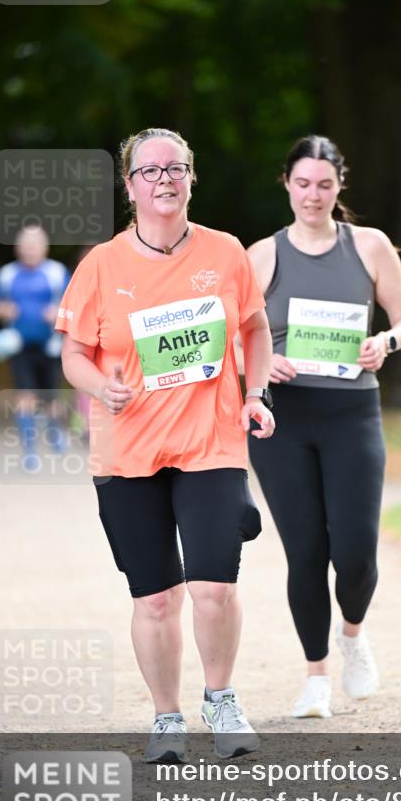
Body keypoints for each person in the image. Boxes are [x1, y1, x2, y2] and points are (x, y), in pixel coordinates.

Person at [56, 127, 274, 761]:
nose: (163, 180)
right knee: (154, 598)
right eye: (149, 172)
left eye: (175, 168)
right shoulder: (101, 264)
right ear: (129, 187)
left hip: (211, 442)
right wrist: (102, 385)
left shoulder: (226, 252)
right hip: (127, 452)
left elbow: (256, 329)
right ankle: (167, 719)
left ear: (191, 178)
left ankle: (222, 701)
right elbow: (73, 354)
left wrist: (255, 392)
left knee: (214, 588)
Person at [244, 135, 401, 719]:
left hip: (353, 412)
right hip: (284, 418)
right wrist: (265, 362)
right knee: (306, 552)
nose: (313, 195)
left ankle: (353, 634)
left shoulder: (369, 246)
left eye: (324, 184)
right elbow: (230, 337)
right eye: (302, 183)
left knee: (356, 553)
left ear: (339, 186)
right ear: (286, 185)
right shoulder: (261, 255)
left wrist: (385, 341)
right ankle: (316, 675)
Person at [0, 222, 70, 469]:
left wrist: (57, 313)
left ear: (44, 247)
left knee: (51, 397)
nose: (30, 249)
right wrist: (2, 309)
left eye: (35, 245)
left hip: (50, 345)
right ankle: (29, 449)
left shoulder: (57, 272)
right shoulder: (7, 274)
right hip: (19, 346)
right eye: (26, 245)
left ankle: (55, 433)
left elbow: (72, 307)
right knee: (25, 396)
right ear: (18, 247)